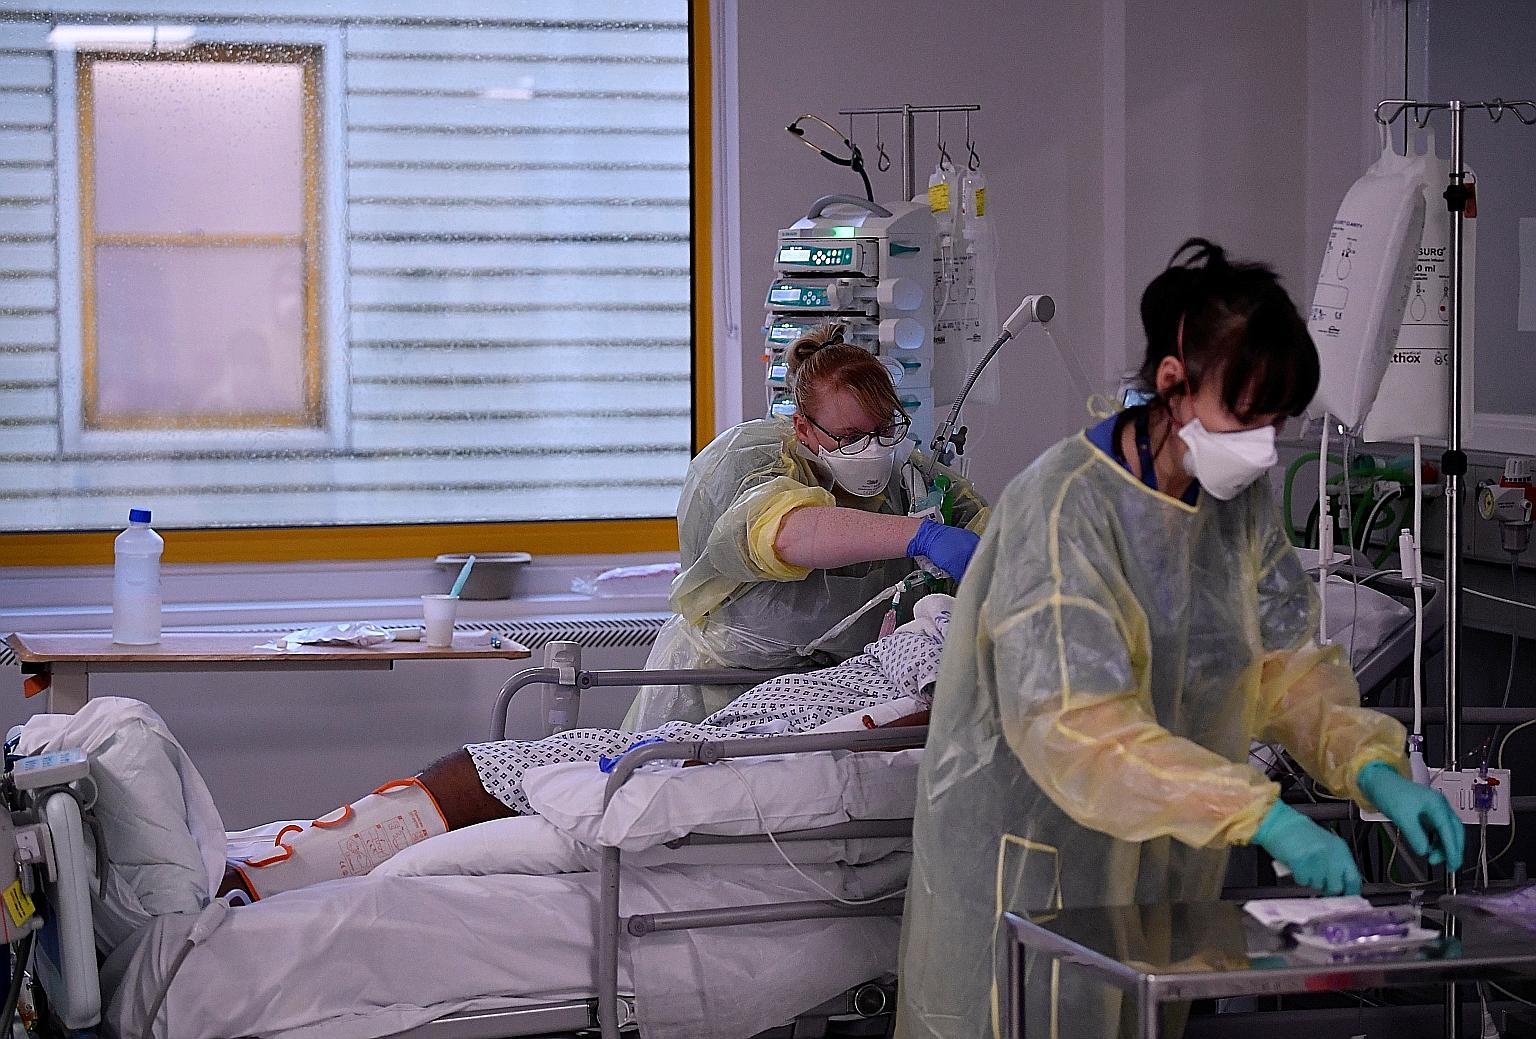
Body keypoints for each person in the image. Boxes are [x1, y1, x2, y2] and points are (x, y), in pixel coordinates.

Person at [895, 239, 1464, 1039]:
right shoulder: (1061, 510)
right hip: (1026, 876)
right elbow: (1077, 726)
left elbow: (1285, 665)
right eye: (1246, 416)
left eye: (1276, 421)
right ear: (1173, 383)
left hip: (1161, 874)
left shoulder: (1234, 506)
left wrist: (1372, 766)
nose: (1263, 444)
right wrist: (1262, 815)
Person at [219, 594, 953, 902]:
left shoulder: (957, 652)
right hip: (704, 737)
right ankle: (292, 861)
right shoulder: (932, 620)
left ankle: (280, 874)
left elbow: (937, 718)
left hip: (730, 750)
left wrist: (892, 700)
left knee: (499, 774)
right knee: (489, 766)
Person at [621, 322, 988, 730]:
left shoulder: (913, 482)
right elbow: (784, 533)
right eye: (849, 437)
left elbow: (995, 534)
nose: (872, 449)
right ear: (804, 428)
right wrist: (920, 535)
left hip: (836, 706)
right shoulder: (748, 464)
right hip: (716, 700)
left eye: (884, 430)